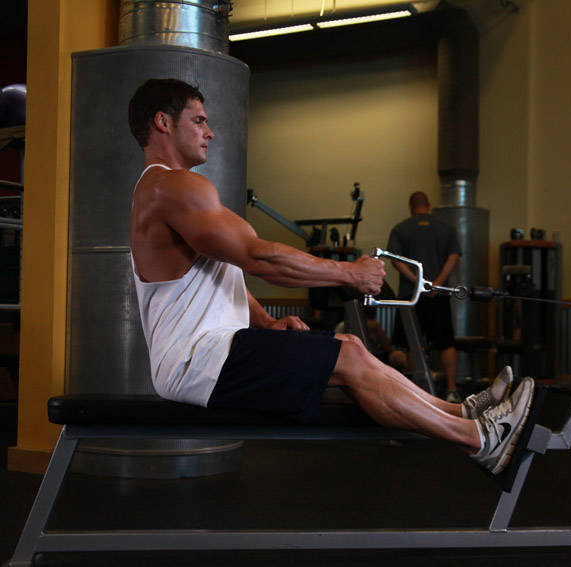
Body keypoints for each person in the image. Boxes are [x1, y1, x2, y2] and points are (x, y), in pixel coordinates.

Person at [126, 78, 534, 474]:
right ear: (163, 122)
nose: (210, 132)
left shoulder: (170, 190)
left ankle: (460, 411)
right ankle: (480, 441)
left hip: (211, 355)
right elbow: (260, 258)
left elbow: (223, 274)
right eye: (199, 120)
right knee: (349, 358)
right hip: (199, 362)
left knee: (351, 344)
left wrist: (266, 322)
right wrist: (349, 273)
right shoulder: (172, 186)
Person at [387, 192, 462, 402]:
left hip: (410, 295)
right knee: (446, 343)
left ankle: (418, 394)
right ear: (428, 205)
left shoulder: (401, 228)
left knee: (410, 343)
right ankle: (451, 390)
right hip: (438, 294)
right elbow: (454, 257)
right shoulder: (446, 228)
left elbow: (395, 260)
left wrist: (418, 282)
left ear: (411, 207)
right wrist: (436, 283)